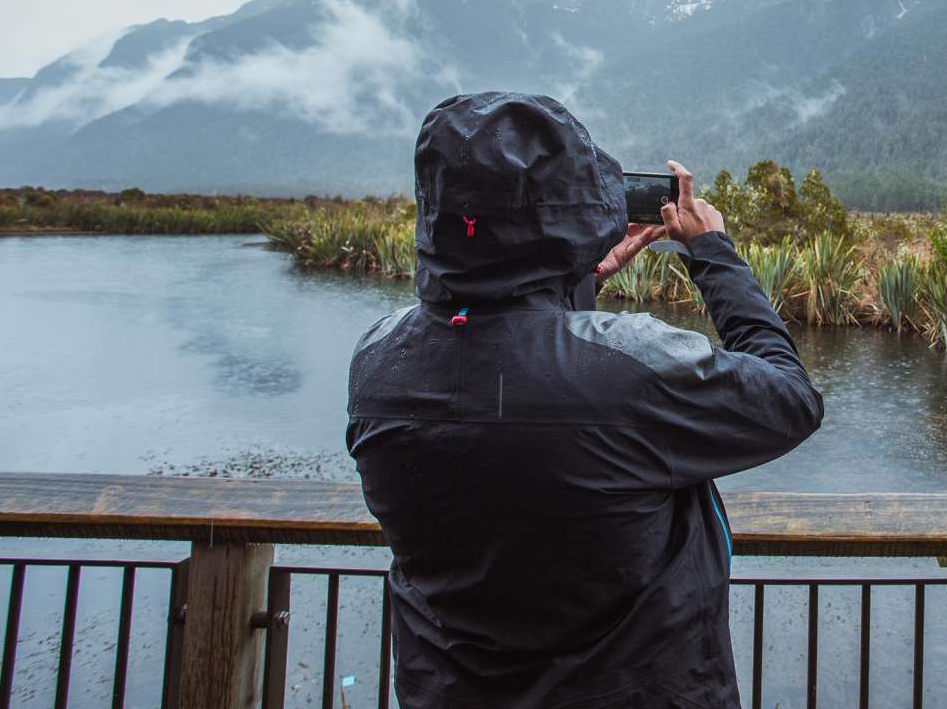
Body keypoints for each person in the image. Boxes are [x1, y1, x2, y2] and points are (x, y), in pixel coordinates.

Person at [347, 91, 824, 708]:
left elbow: (507, 362)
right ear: (575, 209)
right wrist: (712, 252)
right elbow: (789, 397)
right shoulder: (630, 369)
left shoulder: (379, 362)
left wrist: (575, 281)